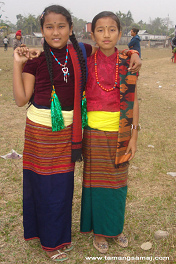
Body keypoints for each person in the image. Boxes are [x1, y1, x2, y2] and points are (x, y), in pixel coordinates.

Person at [13, 5, 141, 262]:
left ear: (72, 29)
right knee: (41, 183)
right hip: (39, 132)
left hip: (68, 133)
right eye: (49, 27)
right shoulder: (36, 61)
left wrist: (134, 51)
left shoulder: (81, 51)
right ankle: (44, 237)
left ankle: (60, 236)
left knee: (62, 187)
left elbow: (109, 49)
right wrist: (18, 64)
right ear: (42, 30)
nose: (56, 32)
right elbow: (20, 99)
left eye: (61, 26)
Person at [80, 11, 139, 254]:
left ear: (120, 33)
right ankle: (100, 232)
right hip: (93, 133)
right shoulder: (85, 58)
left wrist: (134, 135)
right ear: (92, 33)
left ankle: (115, 228)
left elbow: (135, 100)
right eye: (100, 29)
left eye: (112, 29)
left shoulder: (129, 61)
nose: (106, 34)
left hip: (121, 132)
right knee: (96, 185)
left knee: (117, 184)